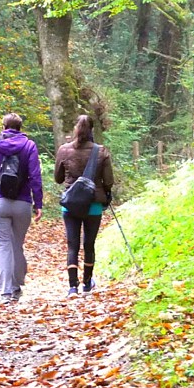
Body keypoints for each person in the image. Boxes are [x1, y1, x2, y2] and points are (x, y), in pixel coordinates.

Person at [0, 113, 43, 304]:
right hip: (22, 203)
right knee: (16, 245)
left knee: (2, 246)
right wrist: (38, 203)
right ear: (20, 127)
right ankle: (16, 286)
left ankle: (6, 291)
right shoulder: (29, 146)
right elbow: (35, 176)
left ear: (3, 127)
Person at [54, 115, 114, 297]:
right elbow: (109, 180)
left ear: (76, 129)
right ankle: (87, 283)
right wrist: (104, 191)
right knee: (89, 244)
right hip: (93, 203)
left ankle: (73, 287)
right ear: (92, 130)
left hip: (71, 204)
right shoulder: (101, 151)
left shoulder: (64, 150)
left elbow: (58, 179)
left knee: (72, 245)